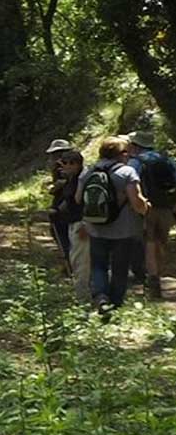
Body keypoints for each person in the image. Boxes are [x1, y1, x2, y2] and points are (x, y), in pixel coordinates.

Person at [78, 135, 150, 317]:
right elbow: (136, 202)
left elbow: (78, 199)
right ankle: (115, 305)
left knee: (98, 266)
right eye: (126, 152)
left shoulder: (89, 172)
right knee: (120, 268)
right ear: (121, 154)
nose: (128, 155)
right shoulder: (127, 172)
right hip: (124, 230)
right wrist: (146, 208)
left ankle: (101, 297)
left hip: (96, 228)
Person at [127, 130, 176, 299]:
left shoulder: (135, 162)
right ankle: (159, 275)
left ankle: (153, 281)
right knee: (161, 242)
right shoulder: (166, 160)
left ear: (135, 145)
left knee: (149, 242)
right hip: (167, 207)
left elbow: (130, 184)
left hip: (146, 207)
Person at [54, 149, 91, 302]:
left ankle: (83, 298)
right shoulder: (72, 179)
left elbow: (85, 203)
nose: (62, 167)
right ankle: (82, 294)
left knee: (81, 263)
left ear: (74, 164)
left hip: (80, 225)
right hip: (72, 224)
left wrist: (86, 224)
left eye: (65, 164)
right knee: (76, 260)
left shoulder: (82, 179)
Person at [46, 138, 72, 265]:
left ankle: (69, 264)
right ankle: (68, 262)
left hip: (64, 204)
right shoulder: (66, 165)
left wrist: (54, 188)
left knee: (63, 235)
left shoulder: (64, 166)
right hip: (63, 203)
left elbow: (66, 183)